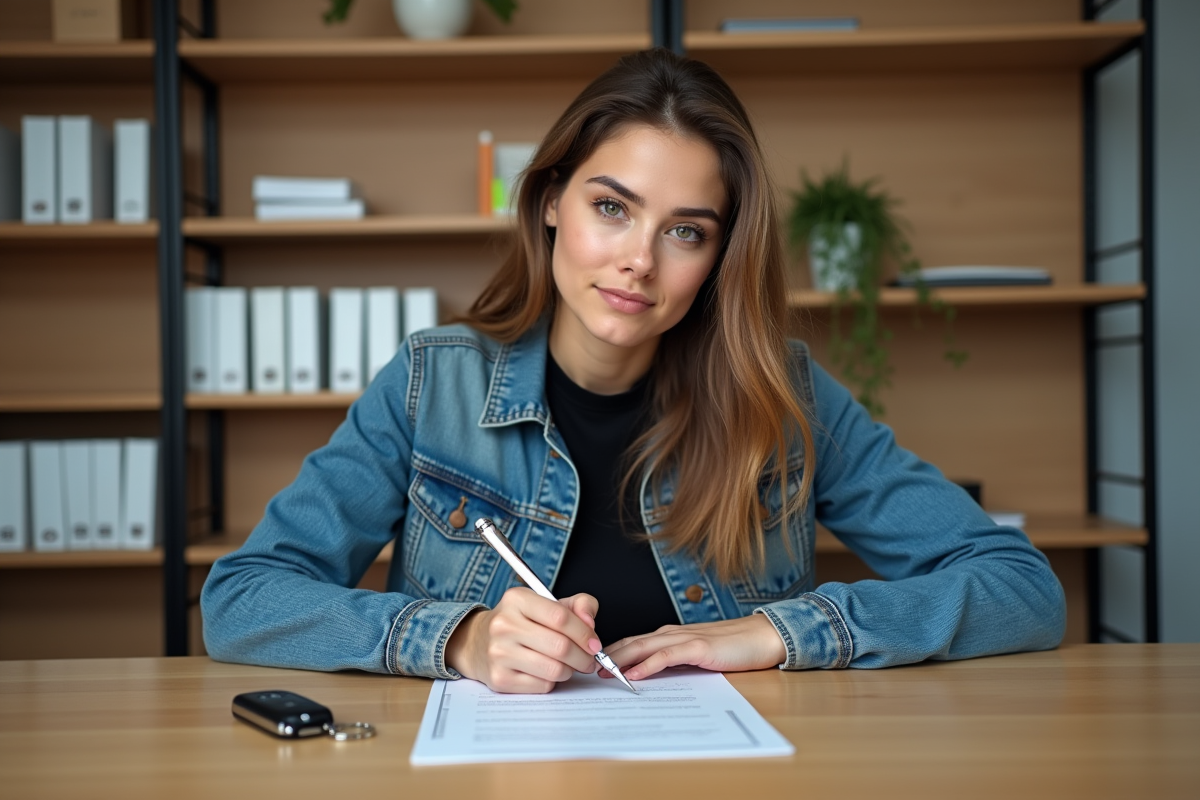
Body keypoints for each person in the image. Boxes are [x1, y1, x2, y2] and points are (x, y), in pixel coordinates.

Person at [201, 48, 1065, 694]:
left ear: (721, 254)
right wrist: (457, 637)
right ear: (549, 202)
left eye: (685, 230)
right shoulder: (435, 387)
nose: (638, 263)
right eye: (611, 208)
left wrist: (778, 631)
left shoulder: (785, 397)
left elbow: (1023, 590)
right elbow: (241, 600)